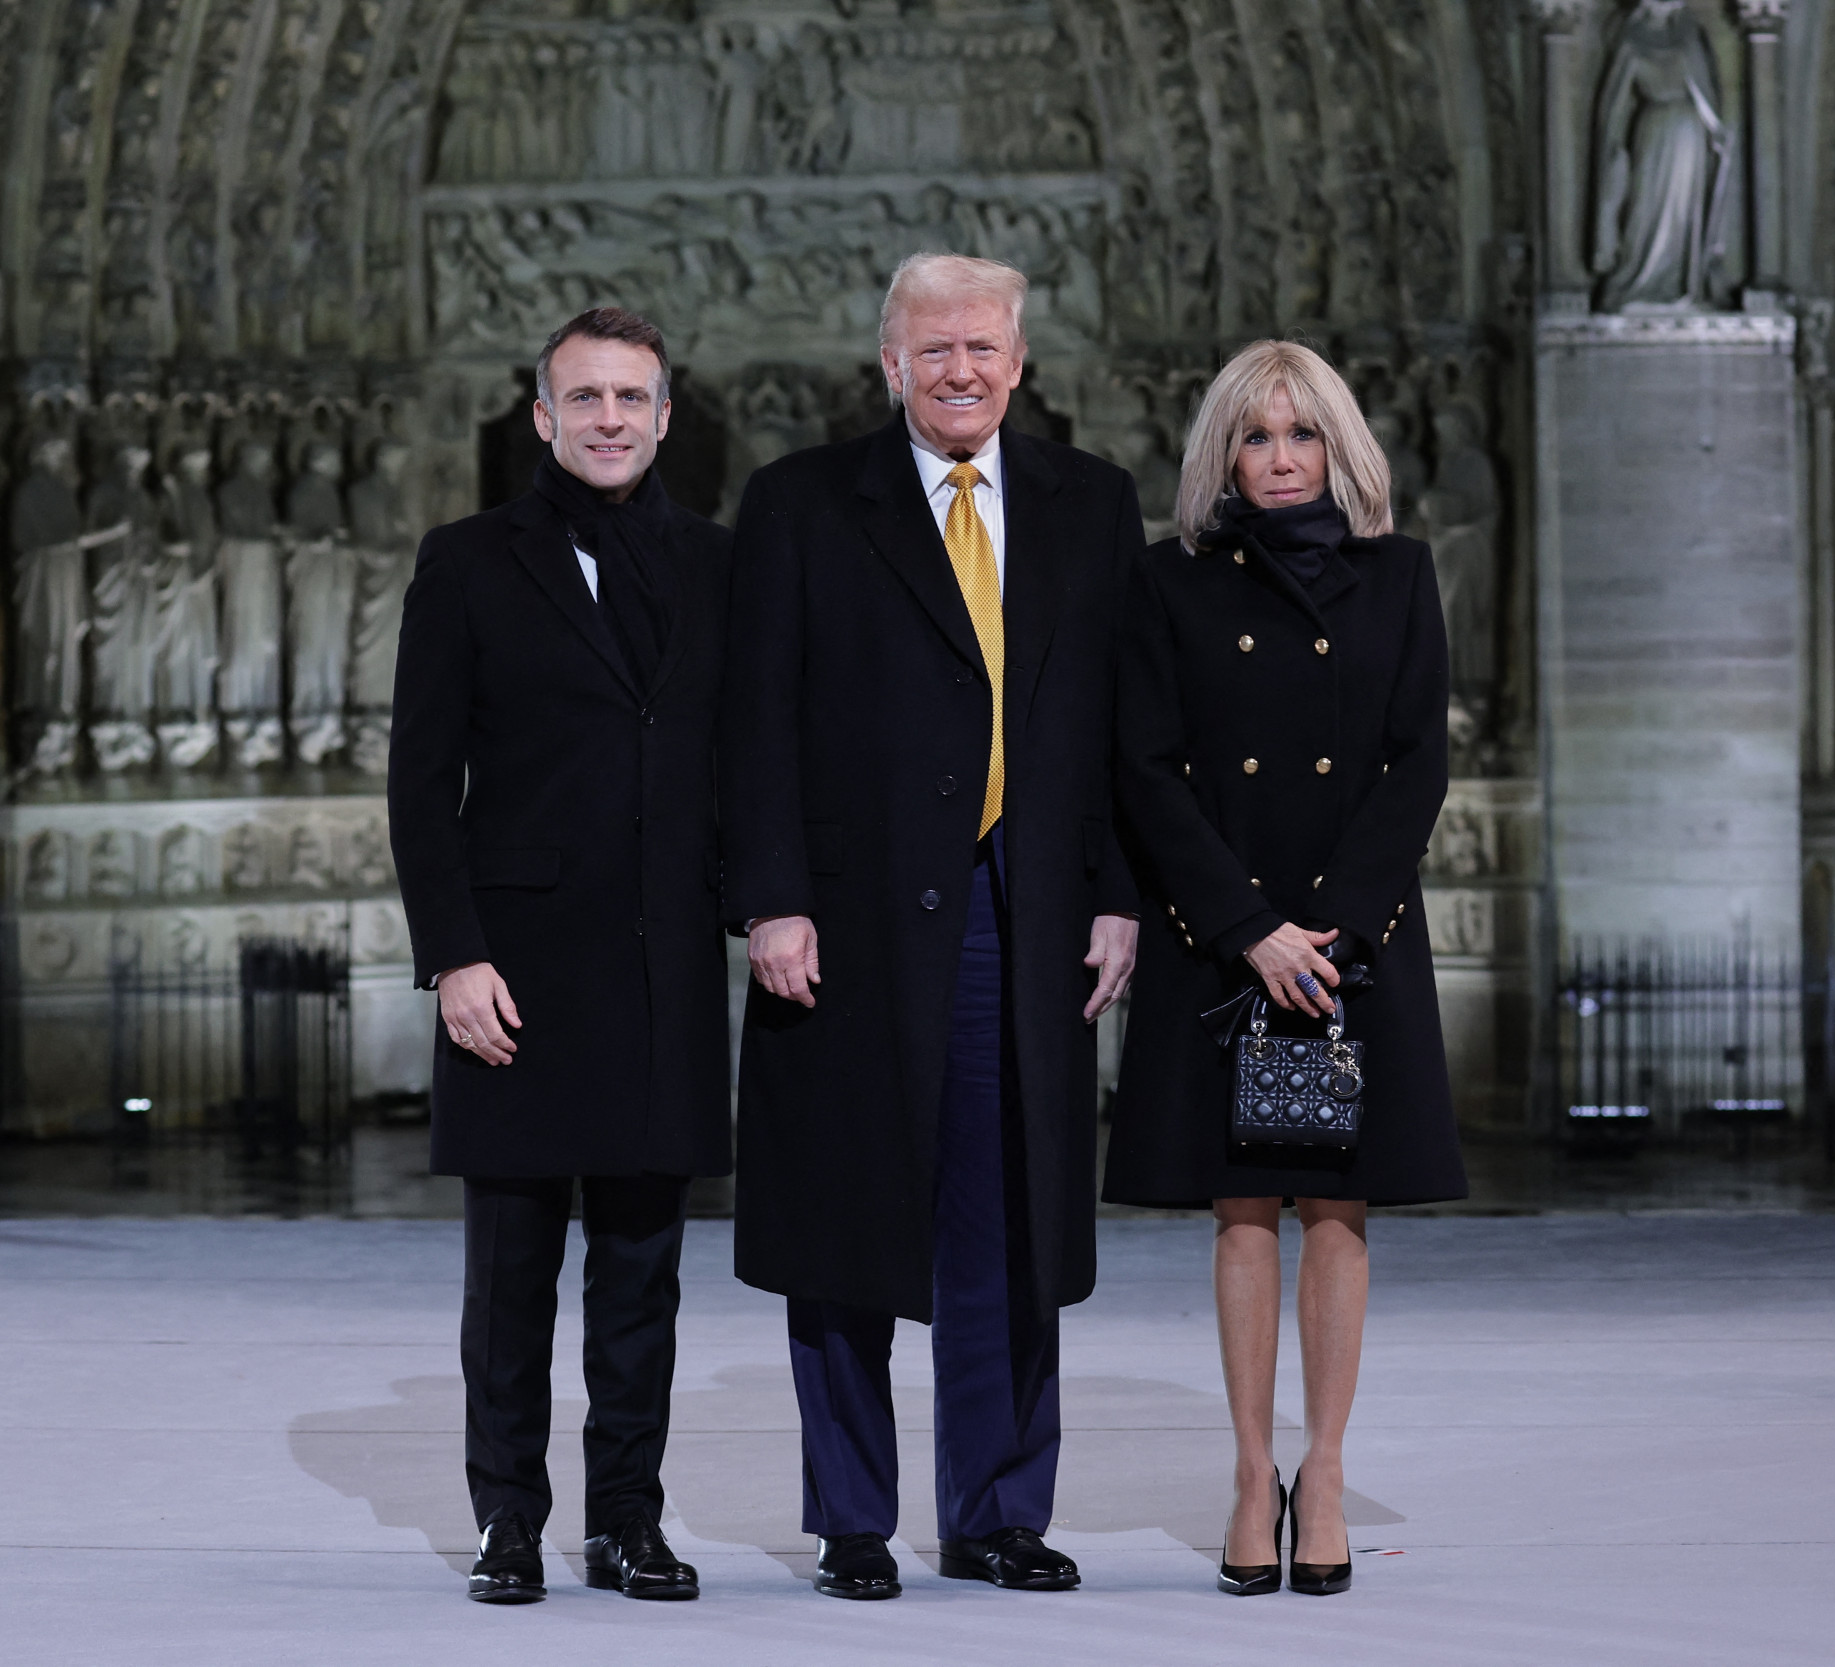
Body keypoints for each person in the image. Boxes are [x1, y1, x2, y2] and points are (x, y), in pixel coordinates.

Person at [721, 253, 1144, 1600]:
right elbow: (756, 722)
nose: (961, 369)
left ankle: (999, 1509)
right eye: (933, 348)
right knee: (845, 1215)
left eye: (984, 346)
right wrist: (772, 897)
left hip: (1026, 914)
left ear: (1021, 361)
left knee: (1011, 1226)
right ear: (889, 365)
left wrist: (1121, 891)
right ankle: (852, 1515)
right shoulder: (798, 505)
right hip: (844, 924)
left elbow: (1130, 729)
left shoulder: (1095, 504)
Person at [1104, 340, 1466, 1597]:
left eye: (1299, 434)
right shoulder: (1168, 584)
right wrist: (1249, 928)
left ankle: (1327, 1469)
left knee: (1339, 1210)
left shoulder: (1400, 577)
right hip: (1224, 933)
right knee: (1242, 1209)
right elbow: (1143, 767)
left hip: (1351, 940)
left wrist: (1336, 927)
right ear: (1222, 453)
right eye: (1254, 436)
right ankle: (1252, 1470)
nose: (1277, 457)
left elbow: (1415, 761)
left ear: (1338, 448)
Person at [388, 307, 731, 1605]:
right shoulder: (469, 560)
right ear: (541, 415)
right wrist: (452, 957)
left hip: (661, 965)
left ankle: (628, 1519)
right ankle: (508, 1518)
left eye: (630, 398)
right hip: (514, 971)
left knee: (644, 1273)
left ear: (661, 415)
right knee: (513, 1270)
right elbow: (422, 782)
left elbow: (741, 757)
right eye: (582, 397)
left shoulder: (717, 563)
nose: (607, 419)